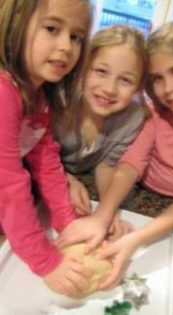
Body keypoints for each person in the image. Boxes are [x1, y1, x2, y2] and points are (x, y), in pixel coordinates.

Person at [91, 19, 173, 289]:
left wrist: (135, 240)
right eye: (157, 78)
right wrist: (104, 213)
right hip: (141, 194)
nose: (168, 89)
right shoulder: (155, 111)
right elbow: (130, 165)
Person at [0, 0, 93, 297]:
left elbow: (45, 158)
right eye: (52, 28)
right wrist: (45, 261)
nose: (66, 46)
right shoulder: (3, 93)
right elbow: (8, 186)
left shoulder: (37, 95)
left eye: (76, 36)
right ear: (15, 24)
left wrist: (67, 223)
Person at [55, 24, 148, 249]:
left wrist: (106, 212)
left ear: (138, 87)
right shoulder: (60, 100)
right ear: (84, 68)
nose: (109, 88)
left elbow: (107, 165)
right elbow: (36, 154)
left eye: (125, 80)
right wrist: (67, 179)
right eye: (101, 71)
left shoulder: (132, 118)